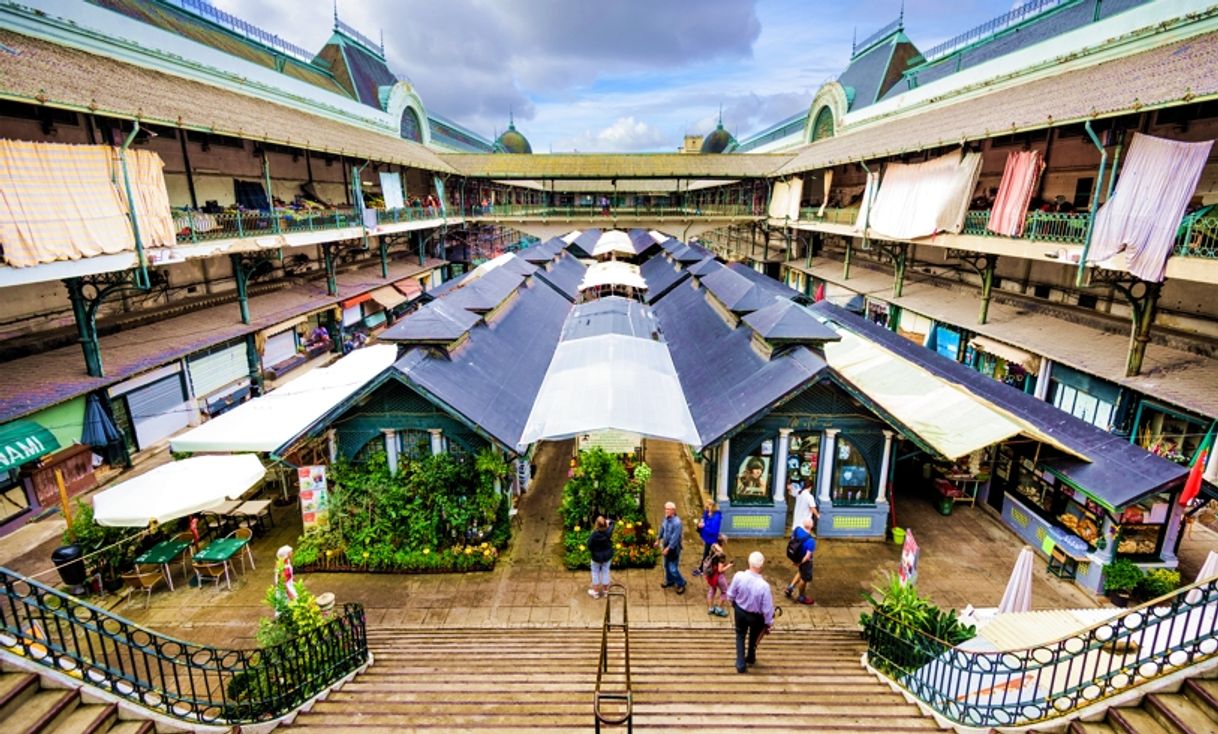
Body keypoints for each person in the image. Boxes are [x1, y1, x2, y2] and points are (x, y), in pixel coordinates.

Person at [726, 551, 774, 673]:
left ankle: (740, 663)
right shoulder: (764, 586)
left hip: (740, 611)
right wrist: (769, 623)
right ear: (761, 566)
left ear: (749, 562)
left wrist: (733, 604)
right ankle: (751, 656)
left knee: (740, 635)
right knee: (754, 635)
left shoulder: (738, 576)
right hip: (756, 617)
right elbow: (767, 608)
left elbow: (730, 594)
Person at [784, 517, 817, 606]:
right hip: (803, 561)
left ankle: (790, 588)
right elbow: (807, 557)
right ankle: (801, 596)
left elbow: (792, 539)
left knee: (800, 571)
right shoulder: (810, 541)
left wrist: (795, 560)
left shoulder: (797, 530)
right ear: (812, 526)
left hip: (795, 556)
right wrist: (799, 563)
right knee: (804, 578)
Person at [657, 501, 686, 594]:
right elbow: (662, 529)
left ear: (673, 510)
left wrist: (668, 548)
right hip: (666, 545)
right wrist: (658, 539)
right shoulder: (666, 518)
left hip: (673, 549)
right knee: (666, 565)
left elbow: (675, 538)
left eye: (668, 509)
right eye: (665, 509)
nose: (666, 511)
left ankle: (681, 583)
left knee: (673, 568)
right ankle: (670, 581)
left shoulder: (677, 523)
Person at [692, 500, 722, 576]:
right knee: (709, 555)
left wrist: (703, 526)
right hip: (707, 538)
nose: (707, 508)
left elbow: (713, 531)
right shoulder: (708, 512)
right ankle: (707, 568)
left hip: (711, 539)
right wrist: (702, 521)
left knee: (706, 555)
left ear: (713, 506)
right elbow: (704, 517)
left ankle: (702, 569)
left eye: (708, 506)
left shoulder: (716, 517)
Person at [587, 516, 614, 599]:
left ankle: (595, 593)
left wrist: (594, 551)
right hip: (607, 556)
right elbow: (613, 522)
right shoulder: (608, 531)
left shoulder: (594, 535)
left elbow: (589, 546)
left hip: (596, 557)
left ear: (596, 525)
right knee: (605, 571)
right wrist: (608, 522)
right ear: (605, 524)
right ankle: (605, 592)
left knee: (595, 572)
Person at [704, 537, 731, 617]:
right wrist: (729, 565)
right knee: (725, 591)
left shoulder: (713, 546)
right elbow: (720, 570)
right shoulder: (721, 555)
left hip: (711, 573)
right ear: (723, 543)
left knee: (712, 589)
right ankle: (719, 609)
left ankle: (710, 608)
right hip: (718, 576)